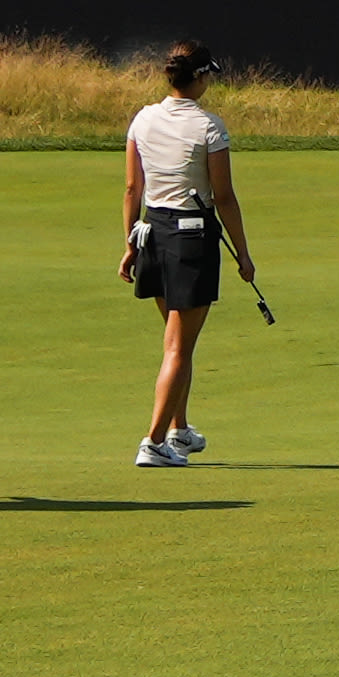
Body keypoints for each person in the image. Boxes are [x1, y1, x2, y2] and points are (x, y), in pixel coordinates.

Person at [119, 42, 249, 467]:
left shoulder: (143, 118)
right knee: (178, 347)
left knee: (177, 343)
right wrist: (243, 255)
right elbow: (224, 197)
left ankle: (179, 430)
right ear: (199, 77)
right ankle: (154, 442)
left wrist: (128, 245)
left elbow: (132, 190)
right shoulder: (209, 127)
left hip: (152, 235)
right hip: (191, 241)